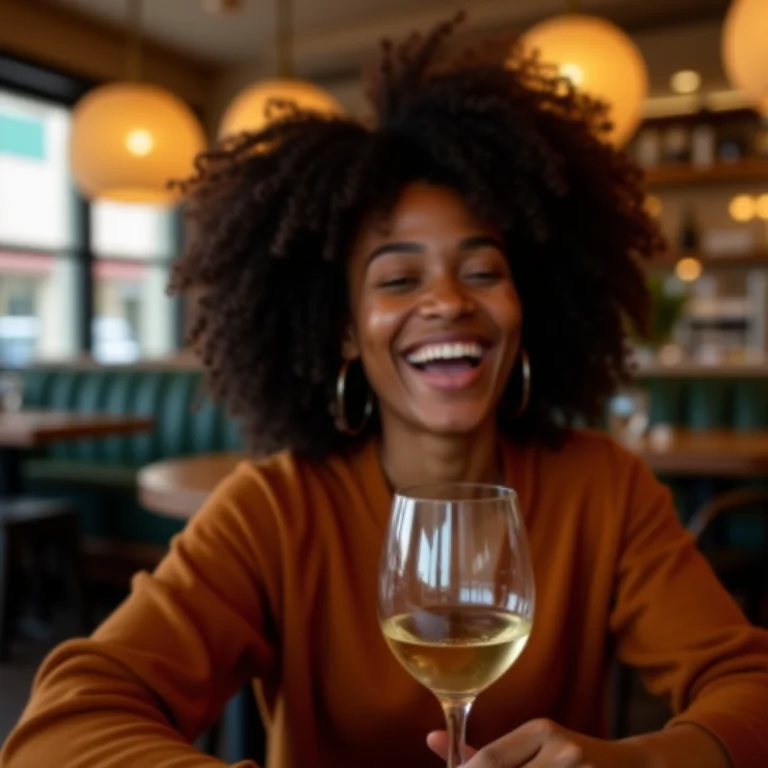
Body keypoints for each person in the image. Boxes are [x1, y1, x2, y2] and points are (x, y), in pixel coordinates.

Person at [3, 14, 768, 768]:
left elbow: (752, 687)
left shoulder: (604, 490)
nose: (448, 302)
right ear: (342, 330)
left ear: (525, 305)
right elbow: (62, 726)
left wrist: (642, 763)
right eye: (399, 279)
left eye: (482, 271)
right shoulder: (275, 511)